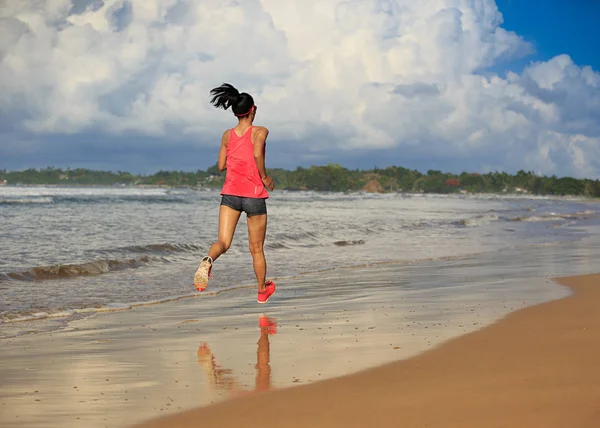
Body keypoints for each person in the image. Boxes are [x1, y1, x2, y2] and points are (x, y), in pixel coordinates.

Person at [194, 83, 276, 304]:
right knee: (256, 249)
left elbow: (221, 165)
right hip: (254, 196)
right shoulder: (260, 131)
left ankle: (209, 259)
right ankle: (261, 291)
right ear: (253, 110)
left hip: (230, 195)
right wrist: (265, 177)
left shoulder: (227, 135)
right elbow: (257, 152)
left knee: (223, 242)